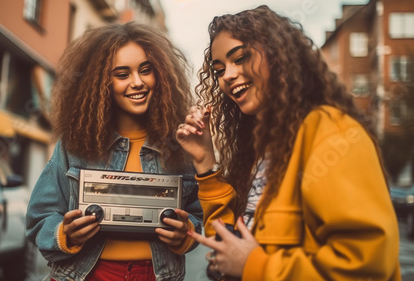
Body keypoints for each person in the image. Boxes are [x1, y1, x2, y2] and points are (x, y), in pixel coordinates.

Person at [176, 5, 401, 281]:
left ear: (277, 55)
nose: (227, 76)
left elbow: (368, 262)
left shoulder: (330, 131)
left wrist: (257, 266)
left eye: (240, 58)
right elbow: (229, 244)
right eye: (219, 69)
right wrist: (204, 161)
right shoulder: (262, 149)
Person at [26, 22, 202, 281]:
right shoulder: (73, 144)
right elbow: (39, 218)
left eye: (146, 70)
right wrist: (66, 233)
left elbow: (197, 216)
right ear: (101, 83)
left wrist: (185, 233)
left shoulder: (181, 144)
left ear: (161, 74)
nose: (137, 82)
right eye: (122, 74)